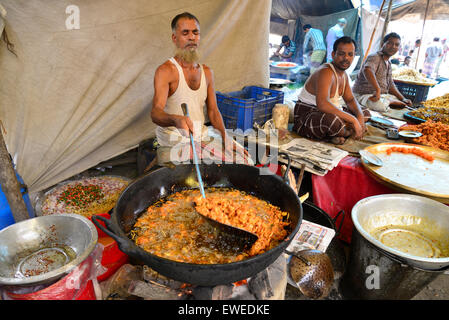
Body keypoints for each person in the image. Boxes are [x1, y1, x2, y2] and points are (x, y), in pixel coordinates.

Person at [151, 12, 249, 165]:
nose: (191, 37)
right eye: (185, 33)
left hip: (200, 135)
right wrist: (176, 119)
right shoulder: (166, 71)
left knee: (245, 159)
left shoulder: (207, 72)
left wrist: (225, 136)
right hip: (174, 139)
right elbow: (155, 113)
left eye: (195, 32)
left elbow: (213, 111)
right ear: (174, 38)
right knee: (227, 164)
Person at [291, 36, 370, 145]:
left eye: (350, 54)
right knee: (332, 121)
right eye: (342, 54)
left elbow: (350, 99)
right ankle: (344, 131)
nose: (346, 58)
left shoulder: (344, 75)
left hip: (330, 113)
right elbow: (322, 104)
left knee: (365, 112)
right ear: (333, 54)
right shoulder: (326, 72)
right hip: (308, 115)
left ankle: (341, 132)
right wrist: (353, 120)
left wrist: (359, 118)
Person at [352, 32, 412, 112]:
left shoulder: (389, 63)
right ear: (382, 44)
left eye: (396, 45)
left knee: (402, 103)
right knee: (380, 105)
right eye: (390, 43)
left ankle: (389, 102)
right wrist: (377, 89)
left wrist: (403, 98)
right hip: (364, 95)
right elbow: (367, 69)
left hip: (382, 96)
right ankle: (389, 103)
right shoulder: (375, 57)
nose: (393, 47)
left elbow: (390, 85)